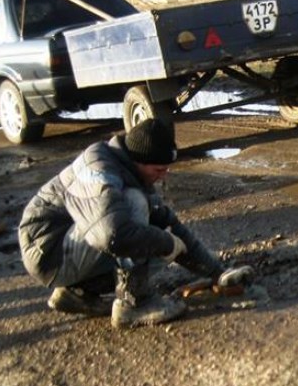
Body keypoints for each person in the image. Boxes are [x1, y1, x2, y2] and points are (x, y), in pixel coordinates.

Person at [19, 118, 252, 329]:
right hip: (48, 250)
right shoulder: (99, 170)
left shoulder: (130, 169)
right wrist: (166, 243)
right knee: (136, 210)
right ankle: (134, 304)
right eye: (159, 169)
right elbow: (111, 235)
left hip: (70, 246)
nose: (164, 176)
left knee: (153, 236)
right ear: (140, 160)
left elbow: (168, 223)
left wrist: (217, 273)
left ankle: (77, 293)